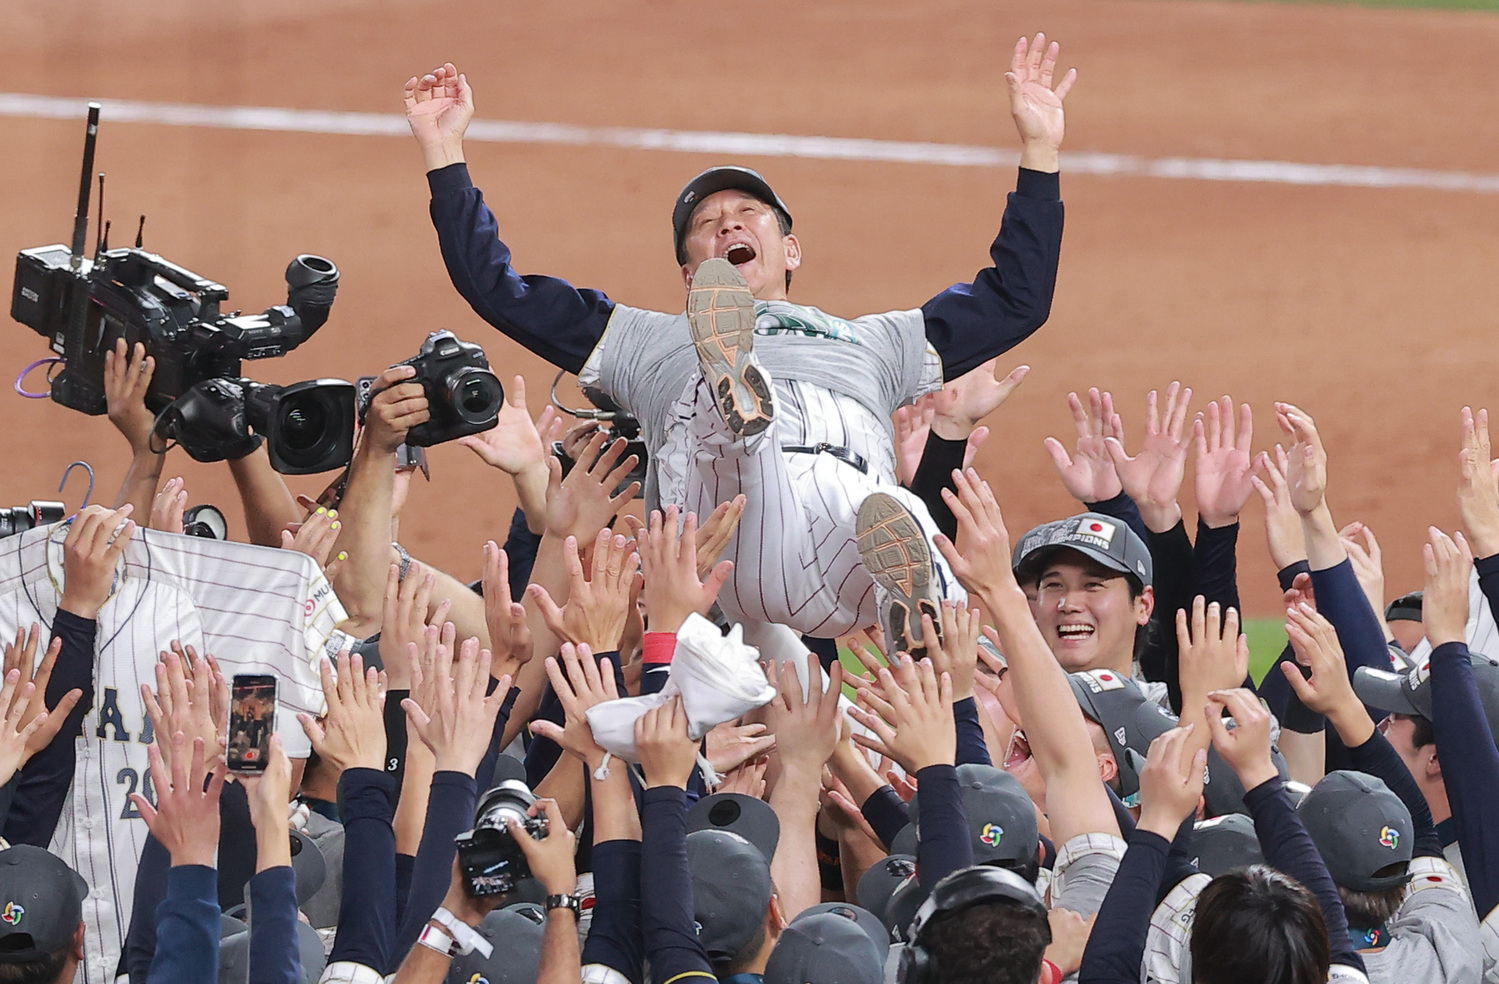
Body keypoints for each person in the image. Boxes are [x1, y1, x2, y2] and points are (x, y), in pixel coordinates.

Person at [403, 35, 1075, 647]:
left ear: (789, 248)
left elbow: (1016, 301)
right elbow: (499, 290)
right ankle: (739, 397)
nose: (728, 225)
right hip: (730, 560)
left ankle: (916, 615)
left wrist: (1039, 152)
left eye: (746, 214)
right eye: (706, 223)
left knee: (890, 506)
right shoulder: (640, 342)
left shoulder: (878, 343)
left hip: (838, 574)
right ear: (692, 273)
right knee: (787, 459)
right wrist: (444, 153)